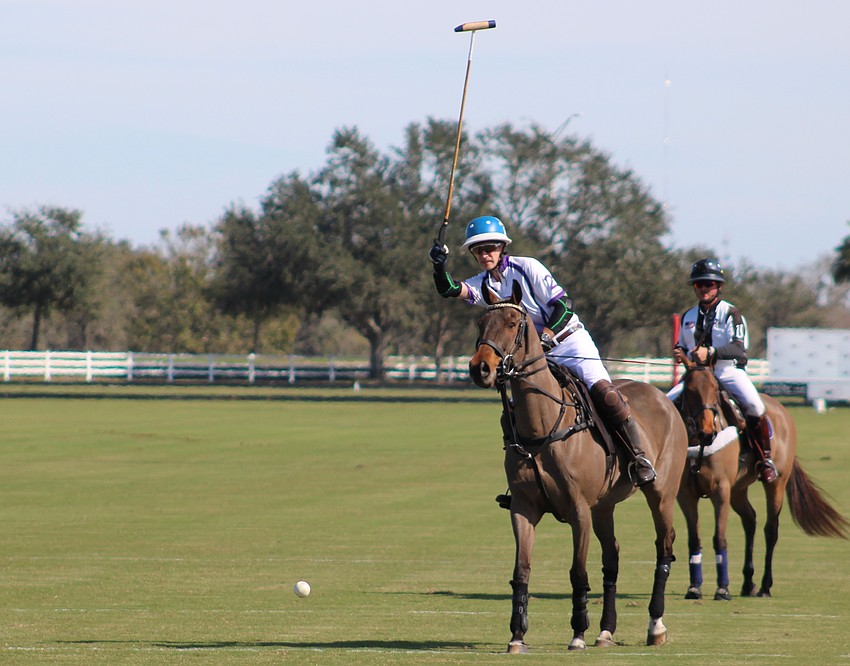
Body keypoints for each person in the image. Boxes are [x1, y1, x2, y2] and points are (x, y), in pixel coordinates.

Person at [429, 215, 656, 486]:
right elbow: (451, 290)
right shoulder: (484, 282)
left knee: (606, 395)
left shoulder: (528, 267)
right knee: (515, 409)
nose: (484, 254)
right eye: (478, 250)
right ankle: (522, 474)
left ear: (502, 246)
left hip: (569, 341)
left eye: (489, 247)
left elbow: (564, 305)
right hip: (535, 354)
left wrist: (547, 336)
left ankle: (638, 458)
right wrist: (439, 267)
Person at [667, 258, 778, 483]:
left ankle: (764, 460)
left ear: (718, 287)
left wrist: (711, 352)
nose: (704, 288)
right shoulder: (688, 315)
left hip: (727, 371)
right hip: (697, 375)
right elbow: (682, 344)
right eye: (699, 284)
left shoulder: (731, 313)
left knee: (755, 406)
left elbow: (738, 347)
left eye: (709, 284)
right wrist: (679, 352)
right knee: (665, 404)